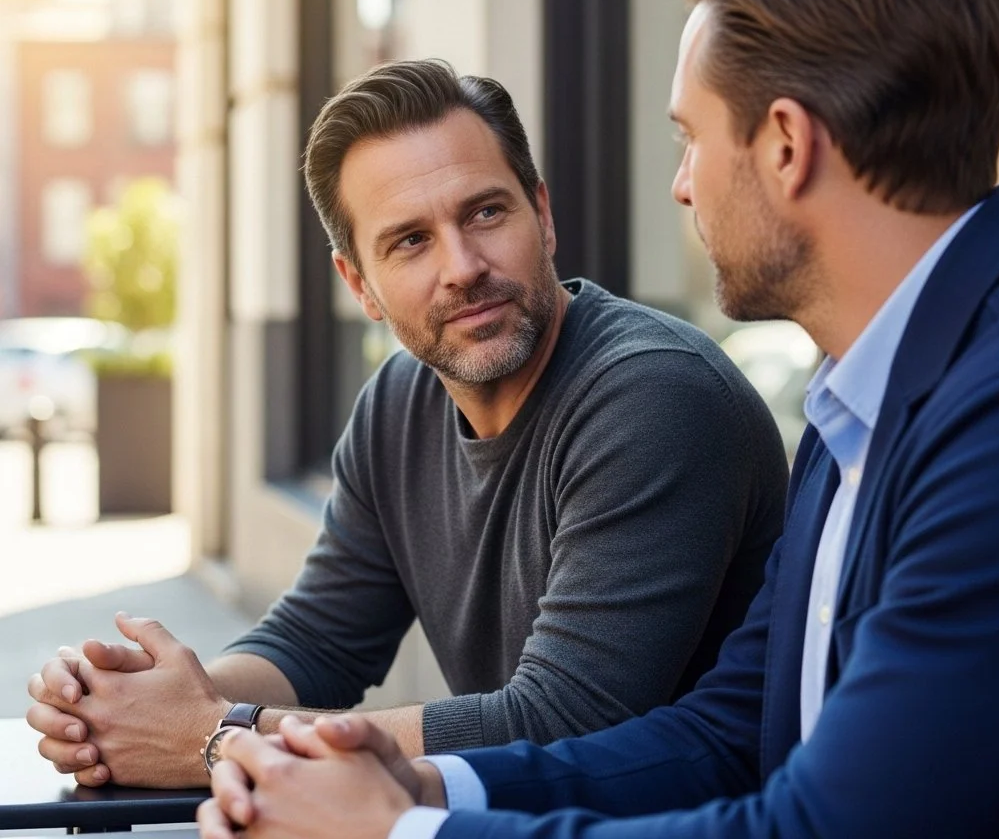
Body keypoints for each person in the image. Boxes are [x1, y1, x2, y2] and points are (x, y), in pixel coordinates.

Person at [195, 0, 999, 839]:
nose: (680, 184)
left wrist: (395, 830)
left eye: (690, 138)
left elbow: (824, 825)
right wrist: (418, 789)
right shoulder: (860, 411)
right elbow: (725, 733)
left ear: (786, 145)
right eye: (410, 242)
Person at [26, 60, 788, 789]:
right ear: (359, 282)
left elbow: (564, 721)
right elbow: (318, 638)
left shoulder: (652, 397)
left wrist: (212, 738)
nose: (462, 265)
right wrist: (141, 704)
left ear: (543, 215)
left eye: (486, 212)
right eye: (410, 240)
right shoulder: (400, 399)